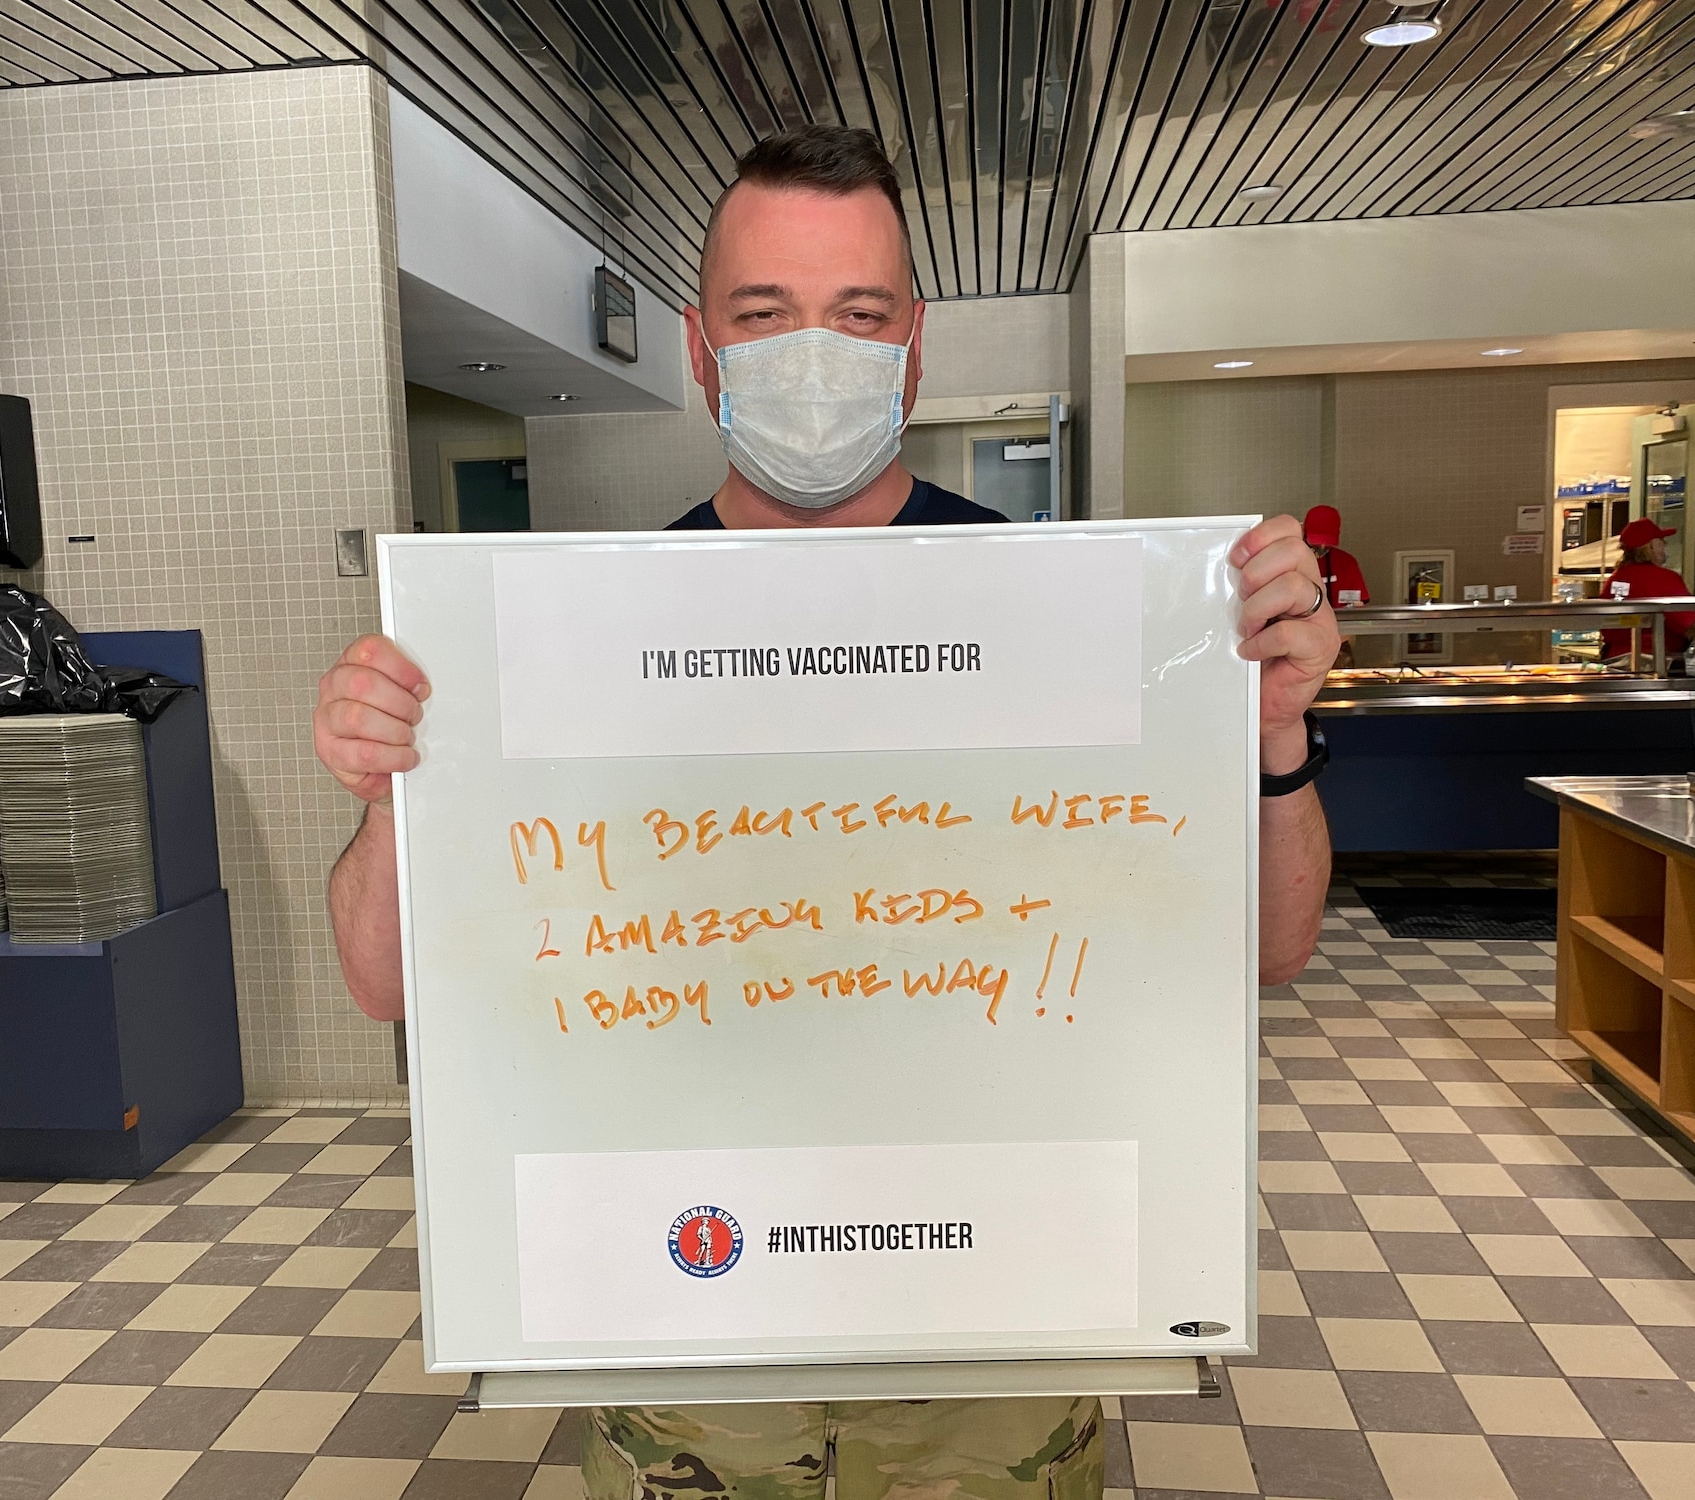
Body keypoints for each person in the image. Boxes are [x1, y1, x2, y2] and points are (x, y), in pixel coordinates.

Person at [314, 126, 1340, 1500]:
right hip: (691, 1336)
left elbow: (1266, 953)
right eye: (766, 314)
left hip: (992, 1338)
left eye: (858, 315)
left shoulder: (1068, 616)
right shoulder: (576, 633)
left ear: (913, 344)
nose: (817, 352)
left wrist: (1271, 739)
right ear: (700, 345)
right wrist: (390, 789)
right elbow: (384, 983)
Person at [1600, 516, 1695, 665]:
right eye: (1661, 542)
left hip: (1615, 661)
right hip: (1655, 662)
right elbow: (1690, 624)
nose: (1665, 546)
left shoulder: (1617, 577)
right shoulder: (1664, 578)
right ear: (1651, 546)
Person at [1303, 504, 1369, 608]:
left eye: (1327, 542)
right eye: (1316, 542)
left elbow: (1359, 607)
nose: (1322, 546)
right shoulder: (1291, 562)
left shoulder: (1347, 563)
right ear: (1303, 533)